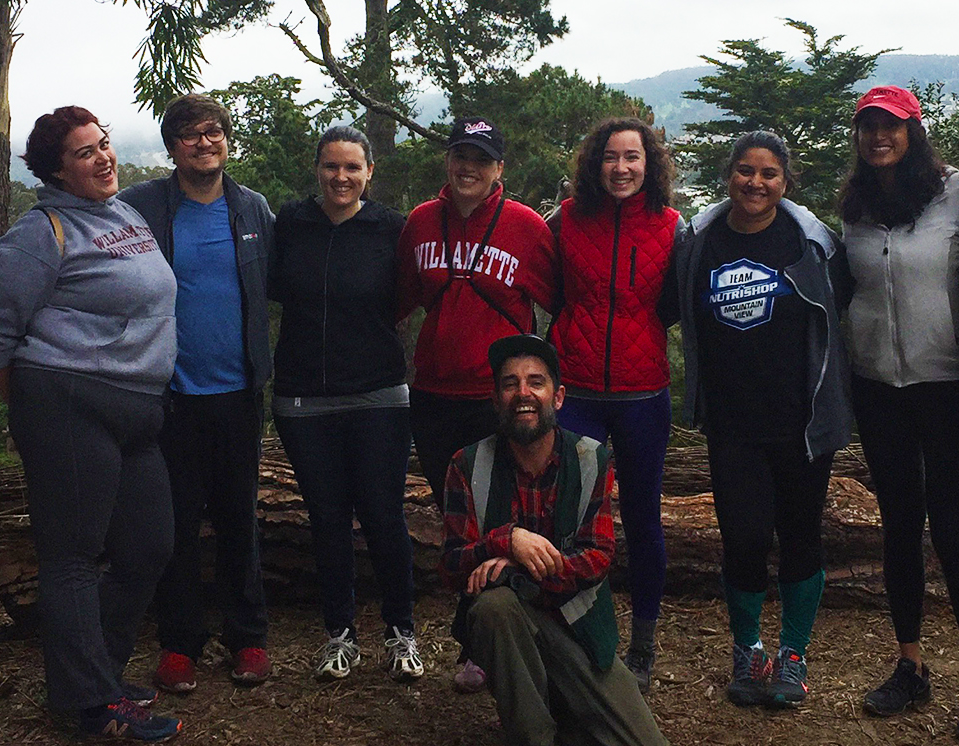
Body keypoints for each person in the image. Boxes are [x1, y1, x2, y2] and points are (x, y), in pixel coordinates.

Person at [0, 106, 182, 742]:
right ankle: (92, 704)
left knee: (149, 547)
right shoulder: (44, 230)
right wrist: (30, 401)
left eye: (104, 144)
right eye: (85, 153)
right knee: (73, 556)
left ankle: (97, 676)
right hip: (70, 400)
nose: (103, 158)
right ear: (58, 171)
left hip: (139, 404)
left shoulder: (124, 214)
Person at [838, 85, 959, 741]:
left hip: (950, 387)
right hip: (877, 387)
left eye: (891, 126)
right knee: (898, 528)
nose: (878, 136)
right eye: (868, 127)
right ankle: (909, 666)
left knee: (956, 534)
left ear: (914, 131)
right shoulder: (853, 206)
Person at [673, 131, 853, 708]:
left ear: (785, 181)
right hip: (731, 422)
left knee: (801, 535)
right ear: (729, 175)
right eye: (746, 171)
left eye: (769, 174)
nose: (756, 183)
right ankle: (749, 649)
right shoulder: (701, 241)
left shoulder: (810, 241)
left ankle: (794, 655)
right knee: (744, 539)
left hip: (801, 419)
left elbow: (838, 304)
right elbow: (673, 309)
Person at [440, 335, 668, 746]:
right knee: (493, 608)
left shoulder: (591, 459)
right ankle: (534, 740)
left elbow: (597, 559)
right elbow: (453, 566)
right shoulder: (467, 465)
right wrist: (505, 539)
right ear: (496, 398)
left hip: (576, 629)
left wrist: (512, 566)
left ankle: (565, 710)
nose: (522, 394)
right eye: (510, 384)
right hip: (507, 630)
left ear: (558, 397)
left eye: (535, 382)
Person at [118, 93, 274, 693]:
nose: (203, 142)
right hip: (171, 396)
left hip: (239, 394)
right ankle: (180, 643)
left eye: (213, 132)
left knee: (241, 520)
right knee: (175, 525)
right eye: (189, 135)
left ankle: (248, 638)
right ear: (171, 148)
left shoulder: (252, 211)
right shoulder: (144, 208)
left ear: (226, 140)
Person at [396, 116, 556, 689]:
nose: (469, 167)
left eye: (482, 159)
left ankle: (486, 641)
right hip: (435, 395)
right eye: (461, 155)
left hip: (500, 401)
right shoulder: (419, 224)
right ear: (448, 161)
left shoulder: (526, 228)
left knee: (505, 517)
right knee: (458, 524)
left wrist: (543, 385)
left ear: (499, 170)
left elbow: (559, 304)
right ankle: (481, 634)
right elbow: (400, 301)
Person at [268, 126, 423, 683]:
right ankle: (340, 635)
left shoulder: (392, 229)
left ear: (369, 173)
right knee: (327, 519)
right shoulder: (290, 224)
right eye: (331, 166)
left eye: (352, 167)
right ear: (317, 169)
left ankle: (401, 630)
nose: (341, 177)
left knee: (384, 516)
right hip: (304, 398)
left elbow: (411, 296)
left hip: (379, 394)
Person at [545, 117, 682, 692]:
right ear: (594, 164)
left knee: (644, 519)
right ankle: (575, 637)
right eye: (610, 157)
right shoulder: (566, 221)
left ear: (648, 164)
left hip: (643, 393)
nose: (621, 168)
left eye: (632, 157)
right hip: (574, 392)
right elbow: (548, 292)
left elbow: (672, 303)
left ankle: (644, 644)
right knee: (570, 517)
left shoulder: (673, 227)